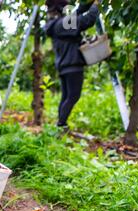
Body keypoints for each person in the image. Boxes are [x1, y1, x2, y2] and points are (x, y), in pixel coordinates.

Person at [45, 0, 99, 130]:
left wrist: (86, 4)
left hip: (65, 65)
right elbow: (87, 20)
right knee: (73, 95)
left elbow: (76, 14)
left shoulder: (56, 24)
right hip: (72, 64)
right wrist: (96, 5)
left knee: (66, 97)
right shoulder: (63, 24)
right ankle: (61, 124)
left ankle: (60, 124)